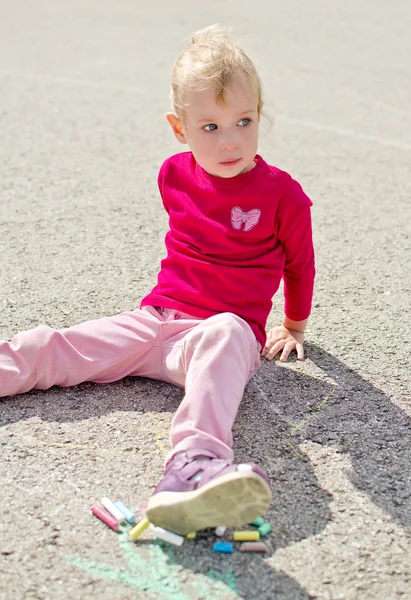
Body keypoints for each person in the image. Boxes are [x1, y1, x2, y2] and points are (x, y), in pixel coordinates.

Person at [0, 25, 315, 535]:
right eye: (209, 127)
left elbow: (300, 264)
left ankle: (193, 469)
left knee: (229, 335)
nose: (230, 139)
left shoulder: (283, 195)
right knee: (56, 345)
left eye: (243, 120)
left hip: (218, 333)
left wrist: (294, 325)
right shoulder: (173, 173)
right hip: (155, 321)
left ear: (260, 114)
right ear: (179, 128)